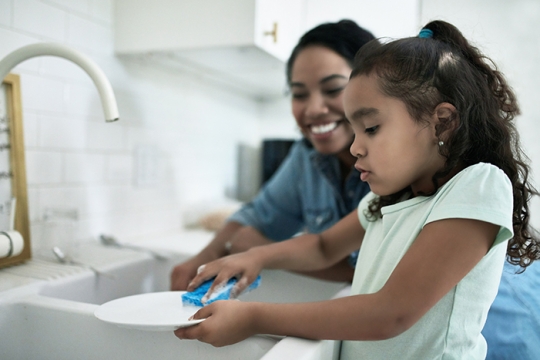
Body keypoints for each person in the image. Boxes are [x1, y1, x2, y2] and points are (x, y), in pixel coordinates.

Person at [174, 20, 539, 359]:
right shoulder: (388, 199)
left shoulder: (477, 186)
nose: (354, 147)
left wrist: (254, 317)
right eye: (355, 128)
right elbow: (321, 246)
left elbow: (390, 313)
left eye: (371, 128)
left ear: (441, 123)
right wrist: (256, 257)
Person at [170, 20, 375, 289]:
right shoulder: (307, 157)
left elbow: (367, 269)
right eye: (299, 94)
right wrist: (204, 257)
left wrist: (261, 250)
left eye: (333, 89)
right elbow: (258, 216)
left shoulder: (399, 167)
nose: (313, 109)